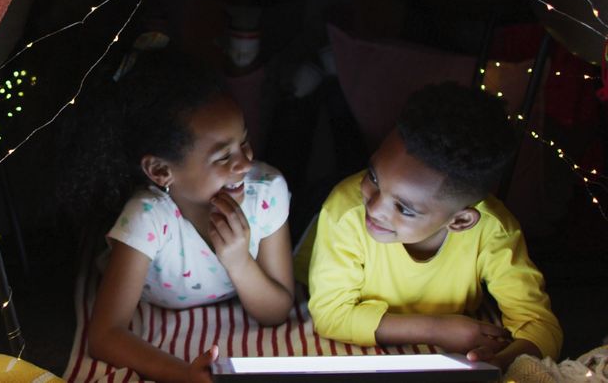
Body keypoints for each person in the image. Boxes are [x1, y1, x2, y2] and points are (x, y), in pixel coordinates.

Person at [63, 43, 294, 383]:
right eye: (222, 157)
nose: (244, 163)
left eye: (243, 142)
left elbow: (277, 311)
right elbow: (105, 335)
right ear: (160, 171)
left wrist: (239, 262)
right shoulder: (149, 218)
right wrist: (182, 372)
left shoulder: (266, 193)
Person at [299, 82, 562, 369]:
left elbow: (538, 323)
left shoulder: (494, 230)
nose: (373, 208)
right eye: (374, 177)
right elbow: (331, 316)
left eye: (404, 208)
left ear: (460, 221)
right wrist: (437, 329)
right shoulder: (345, 213)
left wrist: (501, 361)